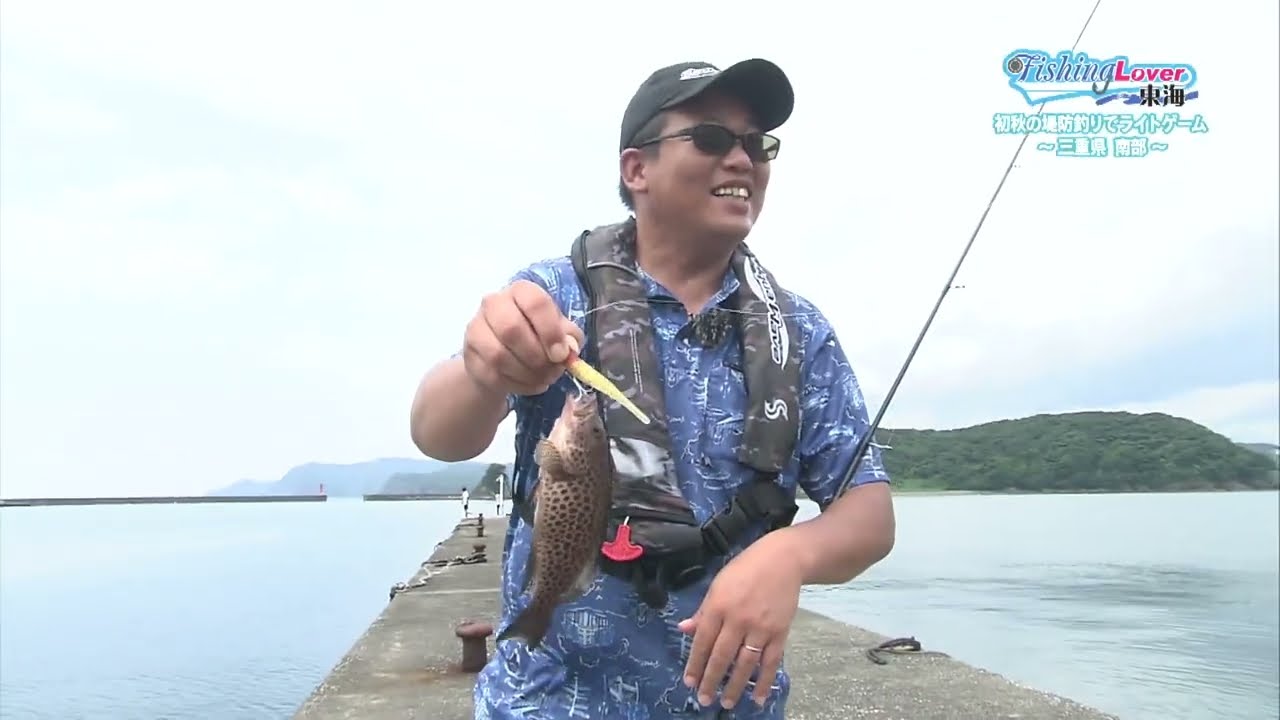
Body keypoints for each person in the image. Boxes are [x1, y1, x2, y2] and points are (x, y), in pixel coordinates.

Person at [409, 57, 896, 719]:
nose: (742, 160)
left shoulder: (800, 332)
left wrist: (792, 553)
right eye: (712, 138)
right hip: (546, 703)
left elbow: (869, 515)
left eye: (758, 145)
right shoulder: (555, 294)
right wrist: (482, 370)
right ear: (636, 170)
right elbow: (438, 434)